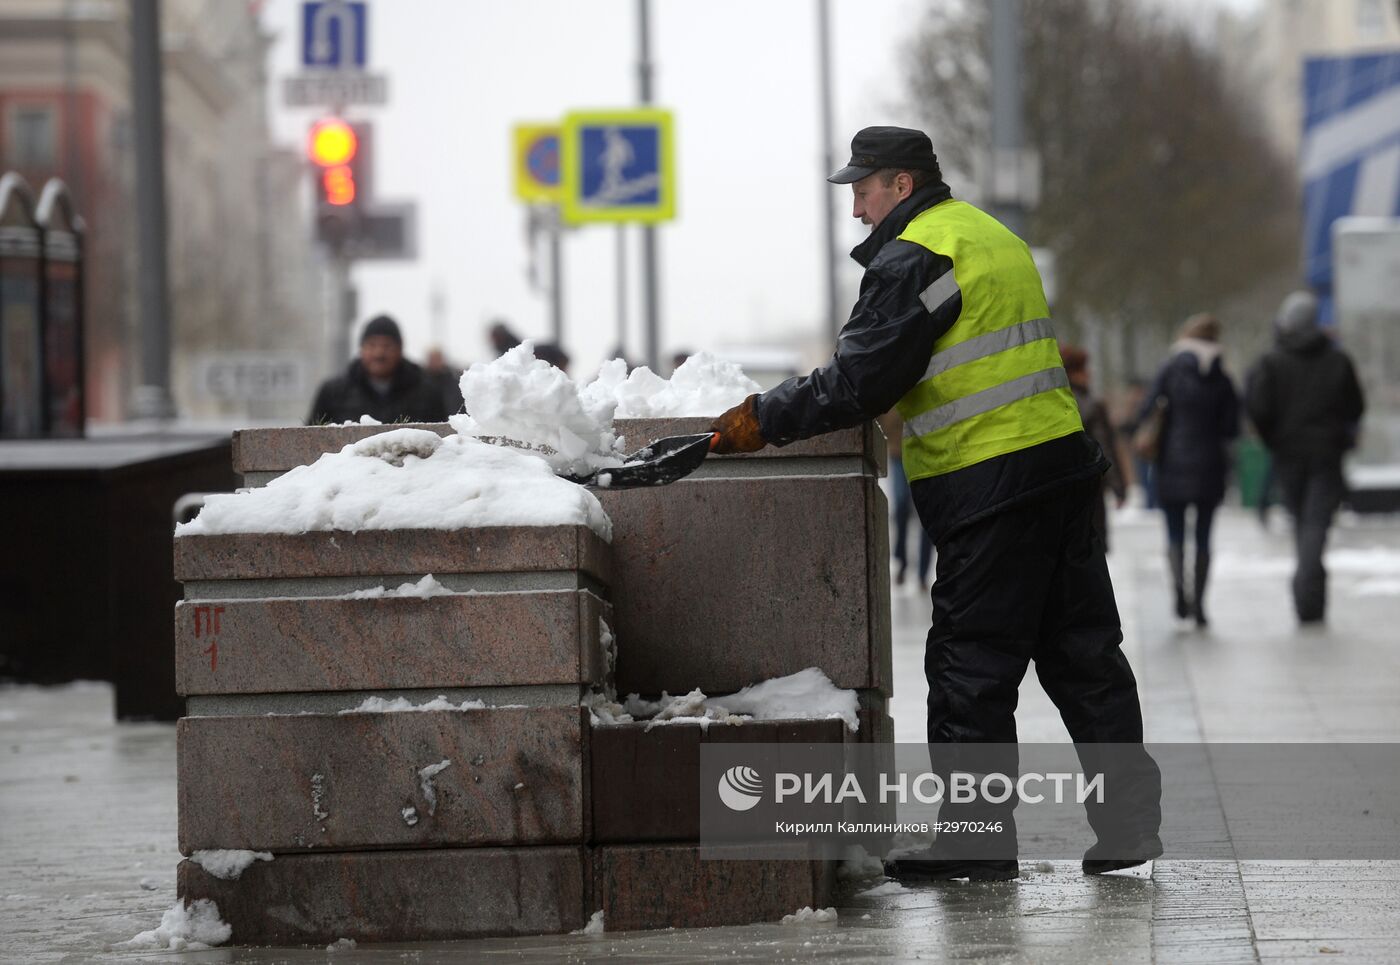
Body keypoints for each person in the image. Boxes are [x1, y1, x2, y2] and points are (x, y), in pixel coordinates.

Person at [709, 126, 1161, 881]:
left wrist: (762, 419)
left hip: (992, 484)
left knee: (968, 666)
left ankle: (977, 840)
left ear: (902, 186)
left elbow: (860, 379)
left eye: (863, 189)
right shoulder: (992, 235)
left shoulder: (917, 255)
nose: (855, 207)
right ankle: (1128, 823)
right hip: (1061, 469)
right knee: (1085, 655)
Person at [1245, 291, 1364, 624]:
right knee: (1316, 524)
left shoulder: (1272, 361)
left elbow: (1258, 408)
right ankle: (1310, 592)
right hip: (1327, 453)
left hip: (1289, 454)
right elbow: (1355, 405)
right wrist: (1342, 434)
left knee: (1303, 521)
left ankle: (1307, 592)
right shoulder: (1338, 360)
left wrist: (1274, 439)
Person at [1138, 314, 1239, 627]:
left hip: (1172, 463)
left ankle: (1179, 592)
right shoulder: (1222, 376)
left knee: (1175, 532)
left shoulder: (1169, 369)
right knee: (1204, 535)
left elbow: (1146, 409)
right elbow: (1232, 427)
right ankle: (1200, 604)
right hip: (1210, 466)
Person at [307, 315, 449, 425]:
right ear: (361, 349)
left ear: (400, 350)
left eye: (387, 346)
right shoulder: (333, 393)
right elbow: (311, 440)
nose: (379, 353)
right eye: (372, 345)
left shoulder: (427, 392)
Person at [1059, 345, 1127, 551]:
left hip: (1058, 488)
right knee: (1090, 551)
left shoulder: (1049, 403)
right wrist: (1118, 487)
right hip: (1090, 489)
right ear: (1076, 372)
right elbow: (1104, 447)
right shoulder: (1091, 404)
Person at [877, 410, 933, 587]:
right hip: (898, 454)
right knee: (901, 504)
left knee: (928, 514)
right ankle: (901, 562)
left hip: (929, 454)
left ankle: (923, 573)